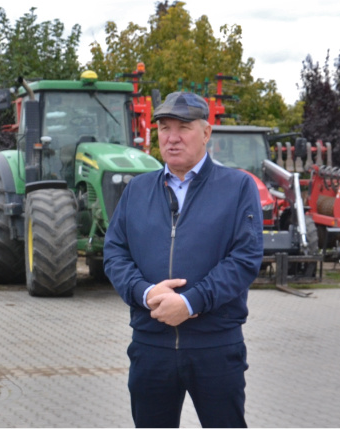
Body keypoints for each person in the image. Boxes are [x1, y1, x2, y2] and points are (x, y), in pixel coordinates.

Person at [104, 92, 263, 428]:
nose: (172, 137)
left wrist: (191, 303)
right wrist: (145, 293)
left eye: (183, 127)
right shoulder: (137, 190)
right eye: (164, 127)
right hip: (151, 346)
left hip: (215, 348)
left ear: (206, 133)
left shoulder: (237, 188)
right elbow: (115, 252)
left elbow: (244, 259)